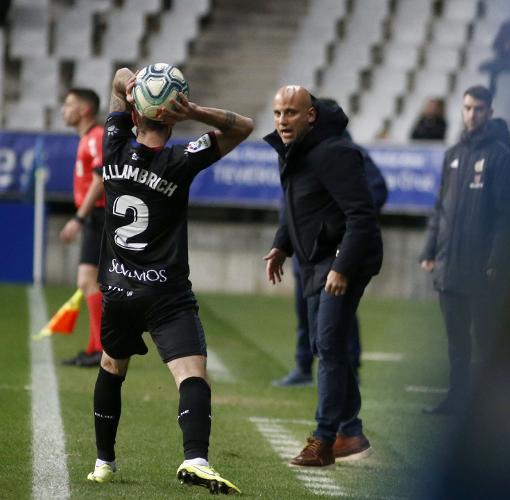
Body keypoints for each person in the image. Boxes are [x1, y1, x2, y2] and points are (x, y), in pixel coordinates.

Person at [86, 66, 253, 493]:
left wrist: (136, 87)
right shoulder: (181, 159)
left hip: (119, 288)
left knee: (111, 367)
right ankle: (195, 458)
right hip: (166, 293)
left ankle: (104, 463)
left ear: (135, 116)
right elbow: (244, 127)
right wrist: (194, 110)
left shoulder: (113, 143)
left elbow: (120, 77)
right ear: (173, 117)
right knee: (191, 374)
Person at [263, 86, 383, 466]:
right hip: (315, 259)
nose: (283, 120)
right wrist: (282, 244)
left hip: (341, 260)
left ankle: (325, 440)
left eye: (291, 113)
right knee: (325, 345)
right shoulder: (294, 153)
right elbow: (299, 209)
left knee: (329, 345)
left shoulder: (335, 152)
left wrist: (342, 267)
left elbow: (361, 217)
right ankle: (351, 431)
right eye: (279, 113)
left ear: (310, 115)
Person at [419, 85, 510, 416]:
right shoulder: (453, 155)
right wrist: (429, 249)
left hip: (482, 269)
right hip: (450, 265)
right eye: (466, 108)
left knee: (487, 340)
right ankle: (456, 398)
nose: (471, 114)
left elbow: (508, 217)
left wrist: (496, 262)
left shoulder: (502, 157)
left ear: (489, 113)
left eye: (478, 109)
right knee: (456, 341)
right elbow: (441, 208)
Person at [272, 98, 388, 387]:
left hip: (332, 251)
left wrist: (337, 220)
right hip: (303, 251)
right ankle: (303, 366)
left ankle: (349, 372)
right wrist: (283, 241)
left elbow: (374, 192)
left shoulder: (345, 152)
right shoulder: (297, 153)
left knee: (338, 317)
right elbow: (292, 204)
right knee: (306, 312)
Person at [59, 88, 105, 367]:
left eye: (69, 104)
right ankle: (93, 348)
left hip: (99, 215)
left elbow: (100, 178)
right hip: (94, 216)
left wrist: (79, 217)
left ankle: (99, 349)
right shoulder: (87, 138)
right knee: (90, 282)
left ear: (85, 109)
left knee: (89, 281)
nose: (64, 110)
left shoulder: (96, 137)